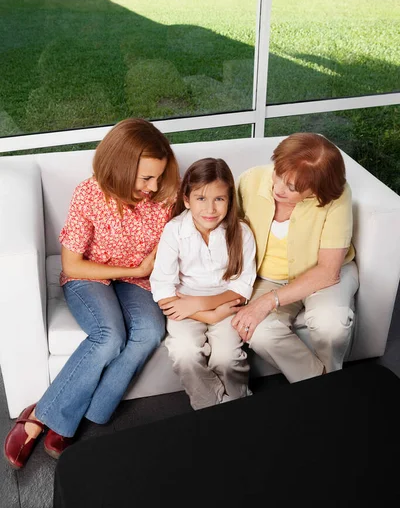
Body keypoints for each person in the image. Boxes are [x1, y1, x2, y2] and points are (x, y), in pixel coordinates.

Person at [4, 118, 180, 469]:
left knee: (149, 333)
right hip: (91, 276)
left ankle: (81, 413)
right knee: (108, 336)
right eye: (145, 177)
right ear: (119, 166)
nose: (153, 186)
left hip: (138, 282)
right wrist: (135, 269)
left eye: (158, 176)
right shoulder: (89, 194)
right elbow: (73, 265)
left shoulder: (165, 194)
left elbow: (174, 240)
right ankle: (41, 415)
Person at [232, 133, 359, 383]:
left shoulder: (337, 196)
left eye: (292, 188)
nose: (278, 188)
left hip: (325, 276)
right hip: (266, 278)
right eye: (278, 175)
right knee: (257, 331)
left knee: (331, 326)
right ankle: (325, 385)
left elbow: (328, 271)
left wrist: (269, 301)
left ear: (317, 190)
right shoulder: (250, 180)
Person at [150, 158, 256, 410]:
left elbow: (242, 287)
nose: (210, 209)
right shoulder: (174, 231)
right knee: (184, 353)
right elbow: (163, 288)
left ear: (229, 200)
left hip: (225, 304)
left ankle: (238, 398)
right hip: (184, 306)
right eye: (201, 199)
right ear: (186, 199)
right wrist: (201, 313)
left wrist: (208, 308)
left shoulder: (241, 232)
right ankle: (212, 406)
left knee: (227, 357)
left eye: (219, 199)